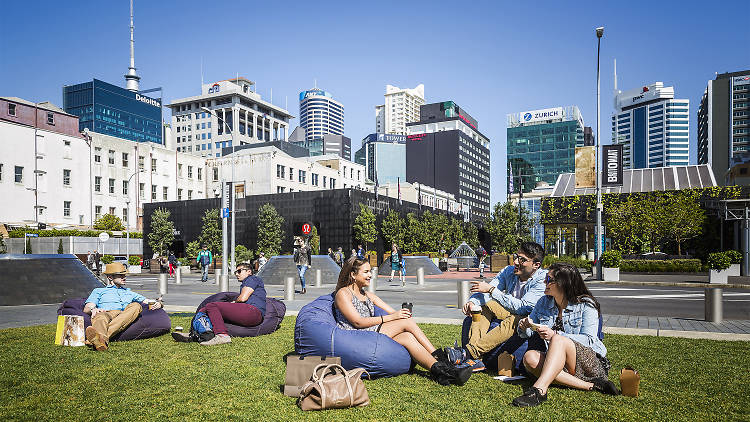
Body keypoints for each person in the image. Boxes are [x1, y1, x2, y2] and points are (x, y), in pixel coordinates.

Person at [333, 258, 472, 386]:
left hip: (369, 333)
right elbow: (357, 322)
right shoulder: (343, 294)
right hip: (354, 337)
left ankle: (441, 372)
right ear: (352, 274)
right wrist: (394, 318)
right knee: (407, 322)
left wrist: (401, 313)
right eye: (366, 272)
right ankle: (444, 361)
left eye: (370, 271)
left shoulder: (367, 295)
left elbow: (392, 312)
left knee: (407, 337)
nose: (370, 275)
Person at [512, 262, 619, 407]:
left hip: (588, 363)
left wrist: (555, 334)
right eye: (546, 278)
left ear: (563, 283)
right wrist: (525, 327)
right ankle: (590, 386)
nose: (545, 282)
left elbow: (590, 340)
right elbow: (528, 333)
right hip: (558, 363)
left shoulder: (586, 304)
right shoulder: (544, 302)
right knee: (529, 357)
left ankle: (539, 390)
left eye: (549, 280)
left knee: (558, 339)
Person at [446, 241, 548, 372]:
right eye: (516, 256)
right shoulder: (509, 271)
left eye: (522, 260)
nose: (516, 262)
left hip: (527, 320)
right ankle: (476, 360)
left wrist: (492, 290)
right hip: (510, 312)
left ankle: (470, 352)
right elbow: (487, 290)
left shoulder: (542, 279)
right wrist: (473, 302)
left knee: (518, 317)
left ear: (536, 265)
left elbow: (524, 307)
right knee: (483, 306)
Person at [182, 262, 267, 346]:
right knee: (205, 310)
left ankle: (222, 336)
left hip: (252, 312)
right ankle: (194, 332)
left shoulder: (252, 279)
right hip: (253, 315)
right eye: (235, 272)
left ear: (249, 271)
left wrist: (234, 302)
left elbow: (243, 298)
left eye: (239, 271)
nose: (237, 274)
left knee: (212, 306)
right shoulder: (248, 282)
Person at [83, 263, 163, 351]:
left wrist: (159, 303)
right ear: (110, 277)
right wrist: (93, 309)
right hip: (106, 313)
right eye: (120, 275)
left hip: (124, 315)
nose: (124, 277)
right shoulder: (99, 291)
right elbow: (87, 307)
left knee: (136, 306)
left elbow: (147, 301)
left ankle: (98, 339)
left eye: (124, 275)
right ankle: (101, 341)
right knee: (100, 317)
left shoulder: (129, 292)